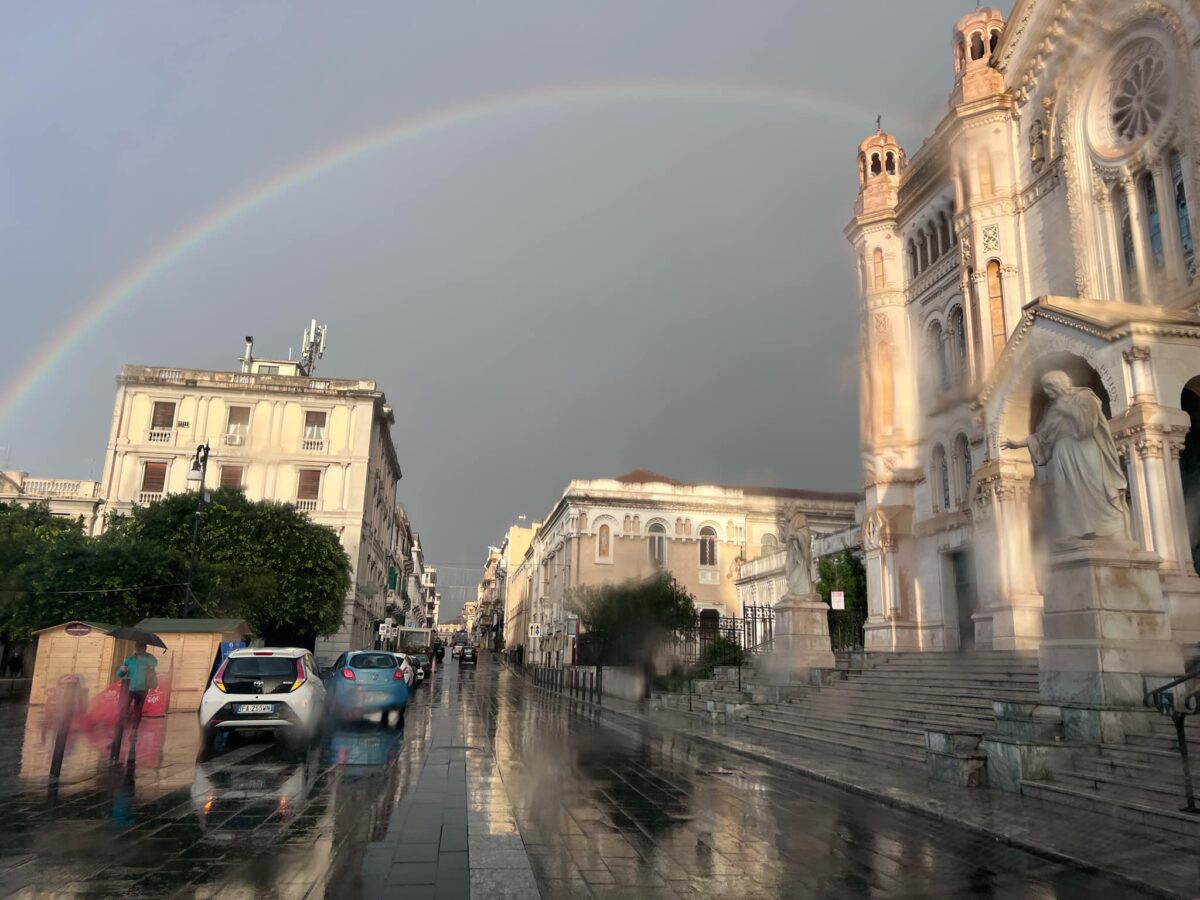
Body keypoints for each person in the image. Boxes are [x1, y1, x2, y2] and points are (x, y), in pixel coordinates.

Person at [1002, 370, 1130, 541]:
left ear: (1058, 384)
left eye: (1048, 388)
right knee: (1066, 493)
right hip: (1062, 453)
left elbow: (1087, 427)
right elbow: (1042, 435)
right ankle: (1078, 531)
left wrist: (1067, 410)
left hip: (1085, 449)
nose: (1047, 393)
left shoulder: (1084, 397)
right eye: (1045, 389)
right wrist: (1018, 444)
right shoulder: (1053, 408)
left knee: (1095, 487)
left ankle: (1112, 530)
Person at [116, 642, 158, 732]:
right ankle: (119, 730)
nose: (138, 649)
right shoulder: (129, 659)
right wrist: (122, 670)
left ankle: (134, 730)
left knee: (137, 710)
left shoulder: (150, 658)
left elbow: (154, 664)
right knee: (123, 708)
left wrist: (142, 659)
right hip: (130, 688)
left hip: (143, 688)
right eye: (136, 647)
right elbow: (119, 674)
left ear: (145, 648)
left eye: (140, 647)